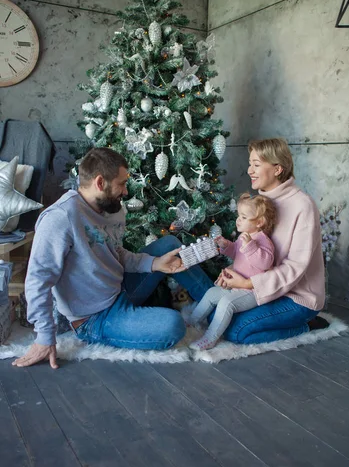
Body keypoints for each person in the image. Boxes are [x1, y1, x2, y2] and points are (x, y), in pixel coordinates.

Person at [12, 148, 214, 369]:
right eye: (121, 183)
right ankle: (123, 325)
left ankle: (218, 308)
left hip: (120, 288)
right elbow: (38, 280)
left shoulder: (112, 209)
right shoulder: (60, 218)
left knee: (170, 245)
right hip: (94, 318)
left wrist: (154, 264)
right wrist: (44, 336)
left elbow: (115, 252)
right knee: (173, 325)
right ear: (100, 183)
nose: (126, 191)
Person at [214, 138, 327, 344]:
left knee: (236, 332)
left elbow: (295, 266)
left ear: (277, 169)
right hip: (266, 290)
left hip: (297, 299)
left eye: (256, 165)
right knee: (218, 316)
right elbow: (254, 254)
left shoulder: (303, 205)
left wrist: (248, 283)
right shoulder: (260, 203)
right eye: (250, 164)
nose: (249, 170)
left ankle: (305, 326)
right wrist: (235, 277)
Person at [189, 193, 276, 350]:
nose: (238, 220)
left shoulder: (263, 241)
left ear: (259, 222)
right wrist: (225, 245)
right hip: (236, 287)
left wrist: (250, 246)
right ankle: (191, 321)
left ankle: (210, 337)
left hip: (252, 292)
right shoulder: (245, 236)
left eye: (243, 217)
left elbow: (265, 263)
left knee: (226, 303)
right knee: (211, 293)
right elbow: (236, 252)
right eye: (238, 215)